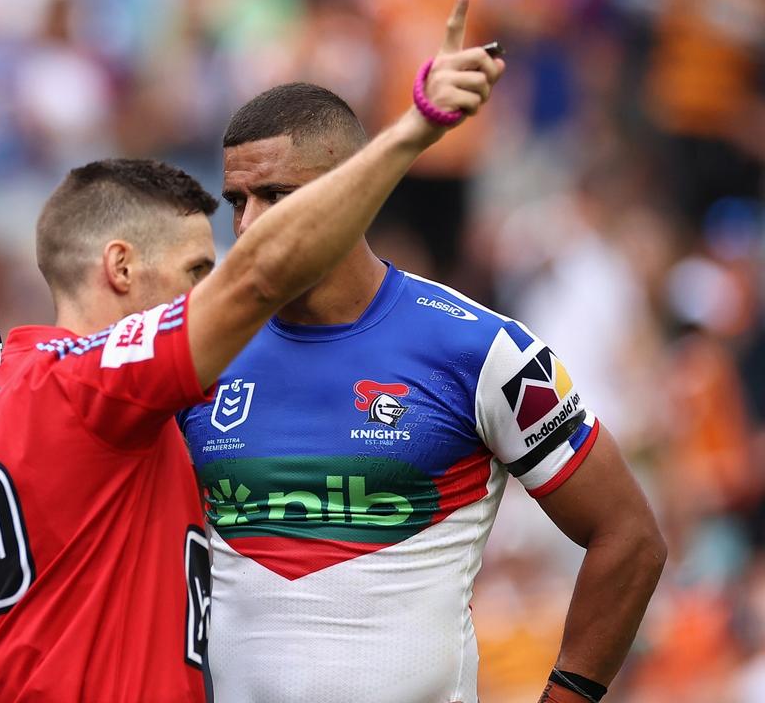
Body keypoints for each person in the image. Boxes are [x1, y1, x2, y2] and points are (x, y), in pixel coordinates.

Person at [0, 0, 503, 702]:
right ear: (121, 269)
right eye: (199, 275)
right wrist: (414, 126)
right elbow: (262, 275)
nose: (215, 292)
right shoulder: (91, 387)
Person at [176, 90, 666, 703]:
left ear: (353, 194)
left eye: (275, 195)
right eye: (236, 201)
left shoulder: (481, 348)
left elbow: (629, 536)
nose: (247, 224)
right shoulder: (192, 350)